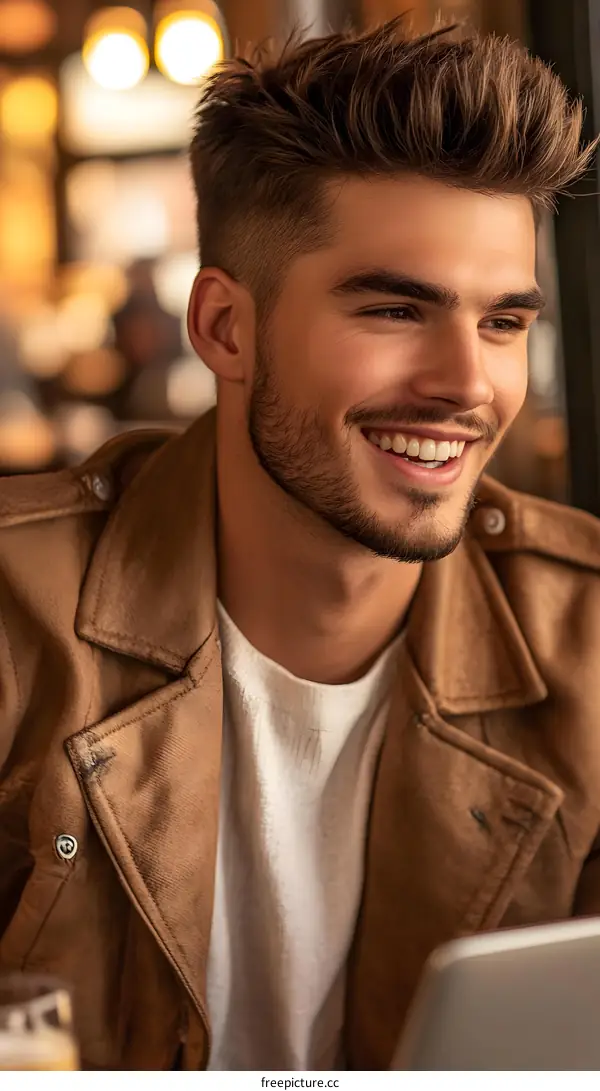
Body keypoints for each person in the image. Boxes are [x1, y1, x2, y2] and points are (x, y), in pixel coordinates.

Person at [0, 17, 599, 1073]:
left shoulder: (587, 642)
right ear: (226, 327)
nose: (467, 384)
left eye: (505, 322)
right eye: (395, 308)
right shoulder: (15, 615)